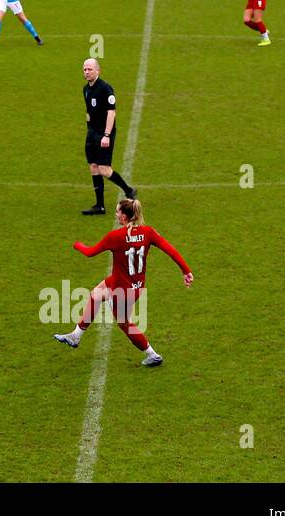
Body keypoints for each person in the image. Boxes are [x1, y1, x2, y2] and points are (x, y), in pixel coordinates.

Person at [51, 198, 193, 368]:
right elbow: (171, 250)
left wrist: (76, 244)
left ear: (125, 216)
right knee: (96, 295)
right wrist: (186, 271)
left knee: (124, 323)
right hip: (135, 285)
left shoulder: (116, 236)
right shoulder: (148, 232)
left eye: (118, 211)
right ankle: (76, 335)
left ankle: (152, 355)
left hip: (122, 289)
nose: (116, 214)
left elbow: (90, 253)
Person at [80, 58, 135, 215]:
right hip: (92, 132)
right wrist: (89, 129)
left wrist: (106, 135)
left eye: (90, 69)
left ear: (98, 70)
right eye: (85, 69)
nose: (87, 72)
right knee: (93, 166)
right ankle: (100, 205)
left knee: (104, 169)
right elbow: (89, 112)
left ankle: (129, 190)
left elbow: (111, 112)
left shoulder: (105, 89)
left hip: (104, 133)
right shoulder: (85, 89)